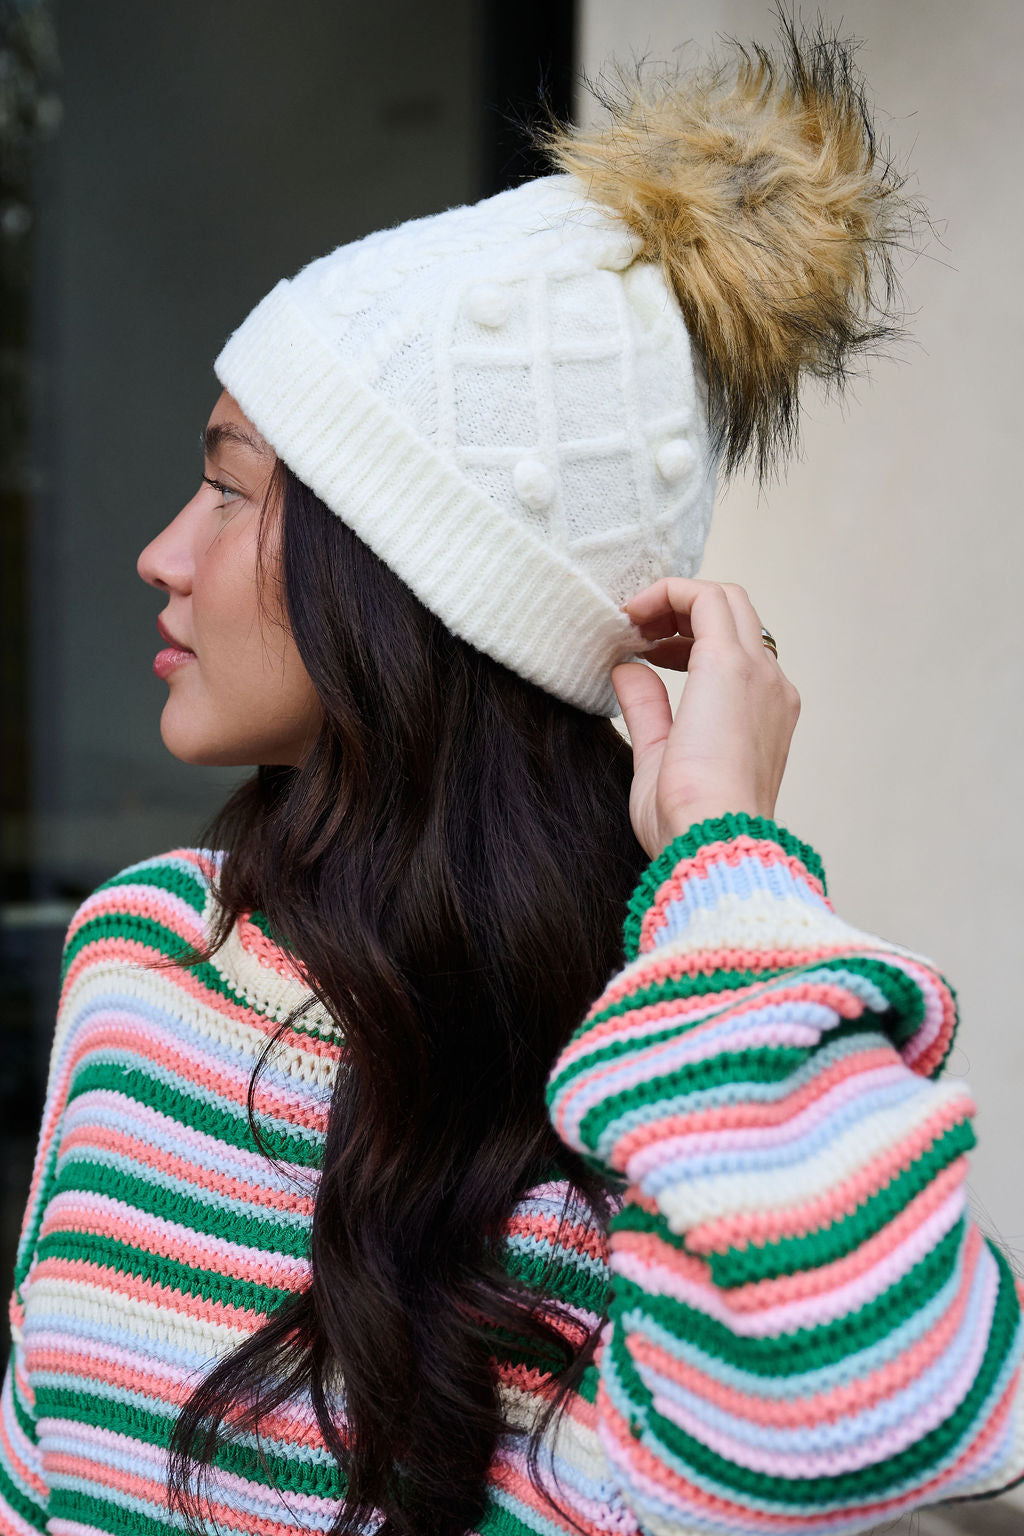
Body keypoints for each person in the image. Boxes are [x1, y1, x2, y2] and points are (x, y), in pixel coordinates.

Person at [1, 17, 1022, 1536]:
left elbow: (901, 1406)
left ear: (404, 588)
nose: (163, 553)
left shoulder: (656, 1078)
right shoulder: (146, 952)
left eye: (224, 489)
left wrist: (726, 855)